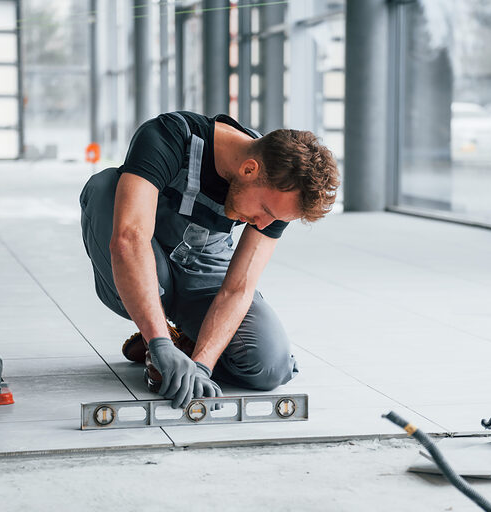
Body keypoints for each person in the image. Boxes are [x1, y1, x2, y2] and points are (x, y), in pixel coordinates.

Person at [79, 111, 339, 409]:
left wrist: (203, 364)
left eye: (275, 218)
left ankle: (187, 345)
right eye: (265, 210)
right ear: (249, 170)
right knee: (103, 188)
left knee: (270, 366)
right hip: (141, 254)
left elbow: (238, 287)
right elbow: (130, 239)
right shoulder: (170, 137)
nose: (263, 225)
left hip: (202, 266)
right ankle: (163, 336)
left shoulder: (280, 187)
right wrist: (158, 342)